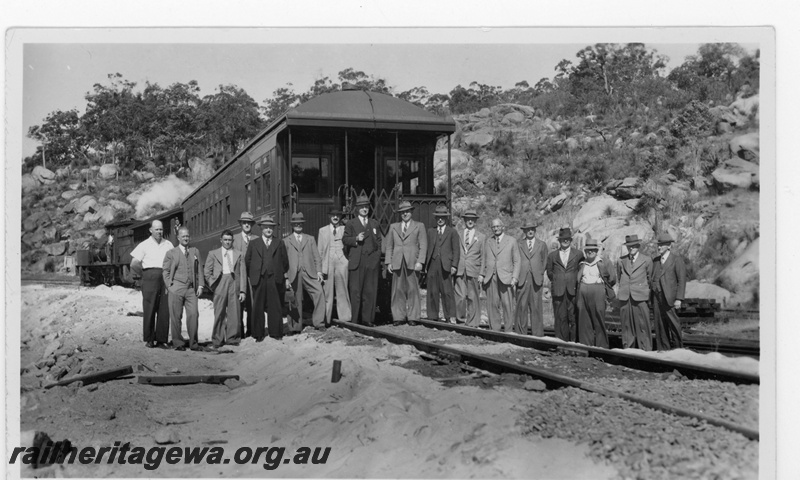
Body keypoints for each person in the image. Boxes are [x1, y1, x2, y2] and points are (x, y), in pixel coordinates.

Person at [244, 215, 290, 341]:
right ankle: (258, 334)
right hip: (258, 278)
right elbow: (247, 261)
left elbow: (285, 262)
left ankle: (276, 332)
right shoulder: (254, 243)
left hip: (274, 278)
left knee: (275, 305)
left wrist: (279, 272)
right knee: (258, 306)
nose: (268, 230)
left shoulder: (279, 242)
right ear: (261, 229)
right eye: (266, 227)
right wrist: (253, 274)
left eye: (270, 227)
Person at [130, 220, 174, 349]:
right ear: (151, 230)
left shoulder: (168, 244)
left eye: (161, 229)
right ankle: (149, 339)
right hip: (149, 277)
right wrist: (144, 274)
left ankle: (161, 340)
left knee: (164, 308)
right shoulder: (144, 245)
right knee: (149, 307)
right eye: (157, 230)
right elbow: (134, 263)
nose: (159, 232)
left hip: (165, 277)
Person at [162, 227, 205, 351]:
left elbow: (199, 270)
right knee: (176, 316)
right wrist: (169, 286)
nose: (186, 238)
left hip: (191, 289)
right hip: (176, 288)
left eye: (187, 236)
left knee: (193, 315)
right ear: (178, 238)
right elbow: (165, 270)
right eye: (183, 236)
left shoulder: (195, 251)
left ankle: (194, 343)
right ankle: (178, 343)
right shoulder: (171, 253)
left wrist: (201, 285)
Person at [384, 200, 427, 326]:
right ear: (400, 214)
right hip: (397, 261)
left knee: (413, 289)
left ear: (411, 212)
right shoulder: (393, 227)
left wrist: (420, 261)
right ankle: (398, 317)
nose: (405, 214)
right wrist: (388, 262)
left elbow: (423, 245)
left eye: (407, 211)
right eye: (403, 212)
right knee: (397, 289)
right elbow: (389, 246)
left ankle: (414, 317)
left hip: (412, 261)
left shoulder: (419, 226)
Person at [342, 195, 383, 326]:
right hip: (357, 262)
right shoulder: (351, 223)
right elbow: (344, 239)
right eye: (362, 207)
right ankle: (355, 320)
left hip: (371, 262)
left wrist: (376, 258)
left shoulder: (374, 223)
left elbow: (379, 242)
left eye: (366, 207)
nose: (364, 209)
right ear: (357, 208)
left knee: (369, 291)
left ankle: (367, 319)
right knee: (355, 292)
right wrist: (355, 239)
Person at [203, 230, 247, 348]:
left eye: (229, 240)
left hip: (234, 283)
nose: (227, 242)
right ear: (221, 240)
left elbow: (243, 273)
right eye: (225, 240)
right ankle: (218, 339)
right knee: (219, 312)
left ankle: (232, 338)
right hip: (220, 282)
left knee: (234, 312)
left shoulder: (239, 254)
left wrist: (242, 290)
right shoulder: (213, 253)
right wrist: (213, 284)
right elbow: (207, 271)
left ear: (233, 241)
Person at [284, 212, 326, 331]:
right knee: (294, 299)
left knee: (319, 293)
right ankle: (295, 328)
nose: (298, 225)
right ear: (292, 225)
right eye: (296, 223)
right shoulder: (286, 240)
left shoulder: (310, 239)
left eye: (300, 223)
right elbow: (284, 261)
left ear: (303, 225)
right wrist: (286, 277)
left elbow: (316, 257)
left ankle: (319, 323)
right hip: (293, 273)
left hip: (310, 272)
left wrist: (319, 272)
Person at [478, 218, 520, 332]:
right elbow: (484, 259)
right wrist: (481, 274)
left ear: (503, 227)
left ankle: (508, 331)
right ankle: (494, 331)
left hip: (506, 277)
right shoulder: (488, 241)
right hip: (491, 277)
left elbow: (517, 261)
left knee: (507, 305)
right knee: (492, 305)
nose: (496, 229)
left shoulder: (511, 241)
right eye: (493, 227)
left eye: (498, 226)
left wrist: (515, 277)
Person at [546, 227, 584, 342]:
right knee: (560, 317)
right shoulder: (552, 256)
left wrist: (573, 281)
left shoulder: (578, 254)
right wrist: (559, 280)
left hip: (573, 290)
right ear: (559, 240)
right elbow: (549, 272)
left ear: (571, 240)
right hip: (558, 291)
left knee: (573, 317)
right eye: (563, 239)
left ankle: (573, 342)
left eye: (567, 239)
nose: (565, 241)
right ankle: (561, 342)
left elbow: (581, 270)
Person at [576, 239, 616, 348]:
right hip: (583, 291)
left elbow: (612, 279)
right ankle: (585, 345)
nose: (590, 252)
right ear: (585, 251)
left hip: (598, 290)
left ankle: (601, 347)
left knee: (599, 319)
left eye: (593, 250)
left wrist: (602, 289)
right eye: (588, 250)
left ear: (597, 251)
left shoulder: (604, 262)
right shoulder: (581, 263)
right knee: (584, 320)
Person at [651, 232, 687, 350]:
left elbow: (681, 280)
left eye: (662, 245)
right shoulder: (655, 261)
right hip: (657, 298)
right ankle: (663, 350)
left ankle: (678, 350)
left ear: (669, 246)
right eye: (658, 245)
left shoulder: (676, 260)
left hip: (670, 298)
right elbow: (653, 277)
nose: (659, 247)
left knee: (674, 325)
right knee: (660, 325)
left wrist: (679, 299)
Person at [617, 234, 654, 351]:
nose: (631, 248)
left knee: (643, 325)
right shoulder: (621, 260)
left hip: (640, 297)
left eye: (633, 246)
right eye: (629, 246)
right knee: (626, 326)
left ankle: (646, 351)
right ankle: (628, 350)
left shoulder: (647, 260)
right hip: (625, 297)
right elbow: (619, 277)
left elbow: (651, 279)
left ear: (638, 246)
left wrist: (646, 293)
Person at [425, 205, 460, 323]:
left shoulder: (452, 232)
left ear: (446, 218)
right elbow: (427, 248)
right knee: (432, 291)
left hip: (446, 265)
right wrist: (425, 264)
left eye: (443, 217)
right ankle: (432, 316)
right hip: (432, 264)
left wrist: (454, 265)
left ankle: (450, 316)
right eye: (438, 217)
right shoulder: (430, 231)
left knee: (447, 291)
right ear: (435, 218)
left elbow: (456, 250)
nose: (440, 219)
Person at [514, 219, 548, 336]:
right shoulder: (519, 244)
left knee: (536, 307)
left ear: (535, 230)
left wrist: (539, 273)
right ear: (524, 231)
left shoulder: (542, 244)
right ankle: (521, 333)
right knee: (522, 306)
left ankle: (537, 334)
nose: (530, 231)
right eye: (527, 229)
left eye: (532, 229)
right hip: (522, 278)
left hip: (536, 279)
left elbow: (544, 261)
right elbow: (515, 260)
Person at [317, 208, 352, 323]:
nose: (335, 217)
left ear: (340, 217)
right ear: (329, 216)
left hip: (342, 261)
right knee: (327, 292)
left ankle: (345, 318)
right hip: (327, 262)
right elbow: (320, 251)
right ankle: (326, 319)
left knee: (343, 290)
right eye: (333, 215)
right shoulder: (322, 231)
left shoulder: (344, 228)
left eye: (338, 215)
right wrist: (320, 269)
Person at [454, 209, 485, 327]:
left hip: (474, 270)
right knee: (460, 297)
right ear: (464, 221)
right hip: (460, 269)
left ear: (475, 221)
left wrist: (482, 273)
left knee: (473, 297)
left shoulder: (481, 237)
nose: (470, 221)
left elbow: (483, 256)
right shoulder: (458, 234)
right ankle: (460, 320)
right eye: (468, 219)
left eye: (472, 219)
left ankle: (472, 323)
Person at [233, 212, 257, 338]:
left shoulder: (257, 239)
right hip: (238, 277)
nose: (247, 224)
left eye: (249, 222)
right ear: (241, 224)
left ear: (252, 224)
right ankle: (239, 332)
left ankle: (251, 331)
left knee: (252, 304)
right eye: (244, 222)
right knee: (238, 305)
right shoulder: (234, 239)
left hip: (252, 277)